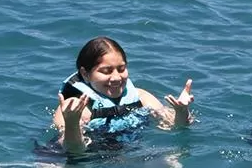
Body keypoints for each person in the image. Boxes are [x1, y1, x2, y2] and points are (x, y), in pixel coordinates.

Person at [54, 36, 195, 154]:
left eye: (121, 69)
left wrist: (182, 111)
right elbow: (73, 151)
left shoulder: (141, 97)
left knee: (174, 163)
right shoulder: (73, 108)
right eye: (106, 71)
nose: (116, 77)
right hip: (73, 161)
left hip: (124, 157)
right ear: (85, 74)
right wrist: (72, 122)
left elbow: (173, 126)